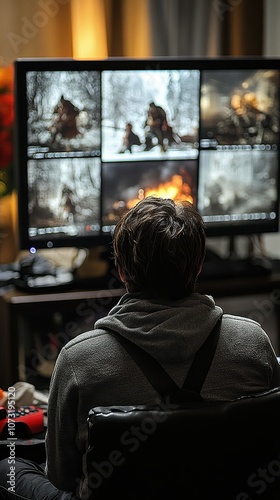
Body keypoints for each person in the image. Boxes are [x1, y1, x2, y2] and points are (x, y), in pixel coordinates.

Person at [1, 196, 280, 499]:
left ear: (121, 270)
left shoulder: (77, 359)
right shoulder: (253, 342)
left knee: (7, 469)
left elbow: (60, 476)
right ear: (199, 266)